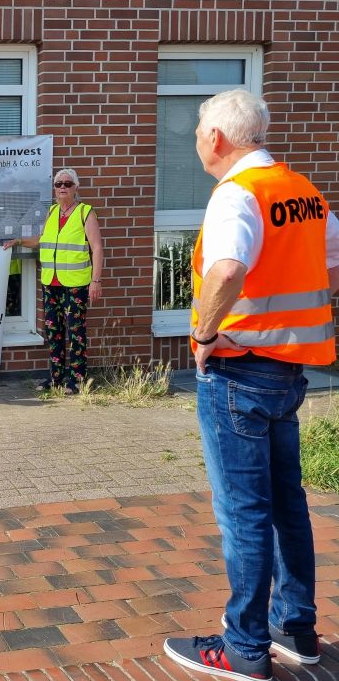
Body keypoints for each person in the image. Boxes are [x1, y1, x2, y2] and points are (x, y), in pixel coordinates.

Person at [163, 89, 339, 678]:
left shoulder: (235, 194)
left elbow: (229, 268)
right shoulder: (303, 193)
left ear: (215, 137)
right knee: (289, 506)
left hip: (238, 371)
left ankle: (243, 647)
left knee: (243, 513)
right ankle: (298, 632)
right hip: (291, 372)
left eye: (196, 135)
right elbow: (332, 262)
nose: (196, 145)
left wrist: (204, 335)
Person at [3, 168, 104, 393]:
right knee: (54, 331)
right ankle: (56, 377)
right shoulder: (52, 212)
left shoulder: (85, 212)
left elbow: (96, 247)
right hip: (51, 282)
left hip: (76, 283)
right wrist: (19, 241)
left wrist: (95, 281)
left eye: (67, 184)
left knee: (76, 332)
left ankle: (76, 380)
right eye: (58, 184)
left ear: (76, 188)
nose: (62, 188)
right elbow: (43, 240)